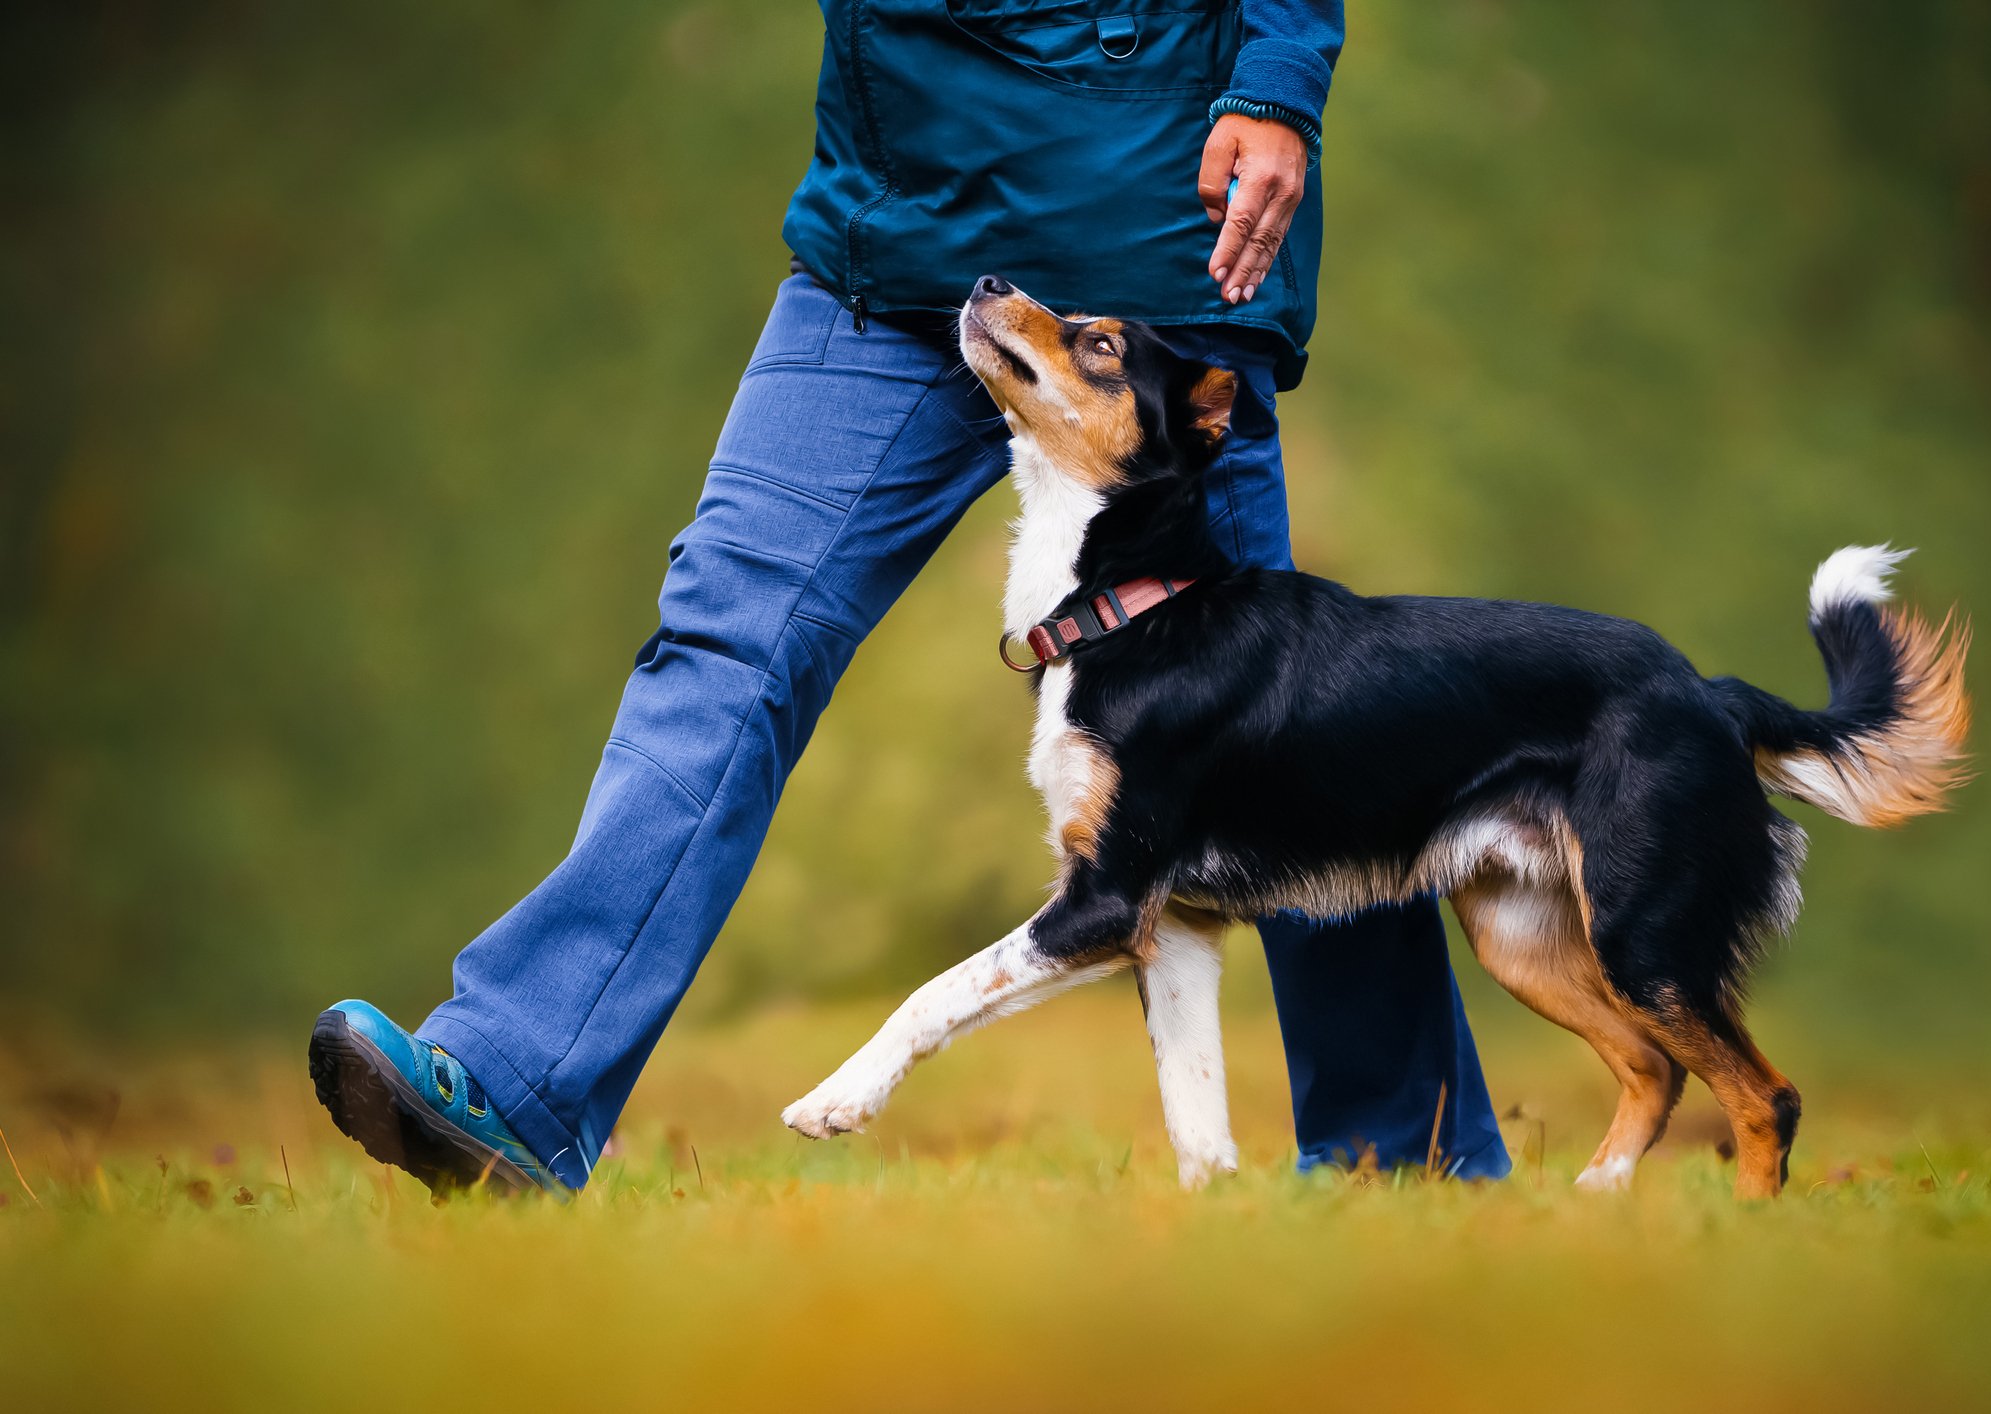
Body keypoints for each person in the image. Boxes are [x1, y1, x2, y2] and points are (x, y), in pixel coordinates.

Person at [309, 0, 1511, 1193]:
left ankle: (1399, 1160)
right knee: (724, 639)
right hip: (889, 237)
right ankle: (518, 1086)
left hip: (1148, 241)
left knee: (1292, 723)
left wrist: (1277, 84)